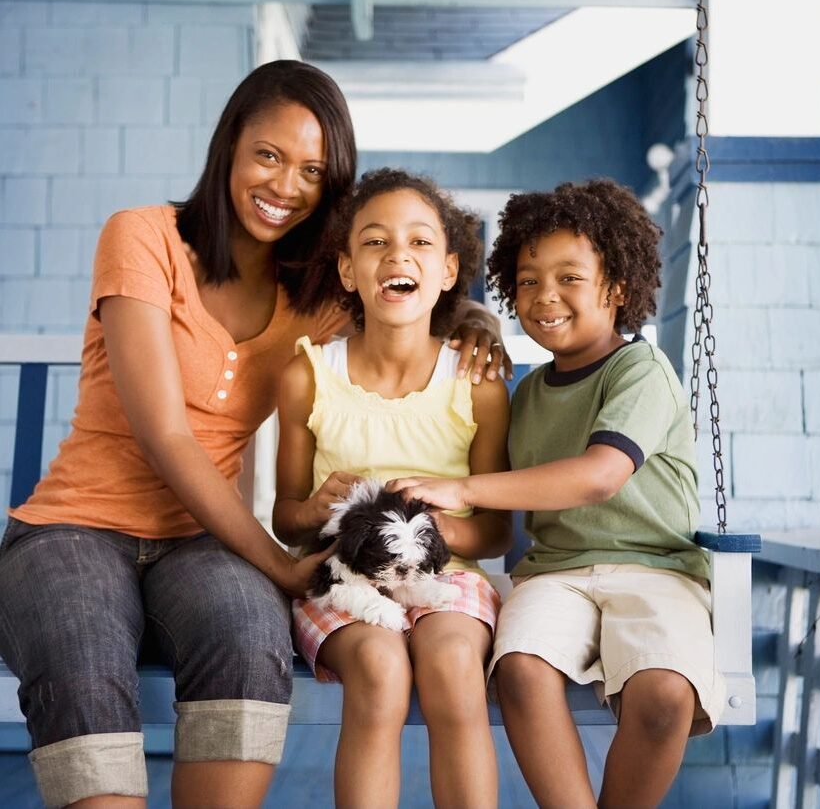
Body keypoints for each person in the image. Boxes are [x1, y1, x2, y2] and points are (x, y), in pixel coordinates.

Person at [0, 62, 509, 809]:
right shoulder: (144, 238)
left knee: (246, 640)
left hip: (203, 545)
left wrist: (473, 320)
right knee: (82, 658)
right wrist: (279, 562)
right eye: (269, 155)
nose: (285, 185)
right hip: (76, 527)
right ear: (230, 145)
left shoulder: (311, 298)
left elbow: (398, 297)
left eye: (312, 170)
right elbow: (166, 434)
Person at [390, 179, 726, 808]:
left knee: (665, 696)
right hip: (555, 576)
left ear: (618, 287)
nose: (544, 296)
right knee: (519, 672)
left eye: (570, 277)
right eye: (526, 280)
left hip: (657, 571)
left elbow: (600, 474)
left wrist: (460, 486)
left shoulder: (641, 370)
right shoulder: (528, 390)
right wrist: (472, 325)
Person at [274, 168, 511, 809]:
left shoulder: (475, 382)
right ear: (348, 270)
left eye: (419, 243)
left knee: (454, 665)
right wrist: (317, 504)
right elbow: (286, 520)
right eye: (375, 242)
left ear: (447, 269)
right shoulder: (309, 376)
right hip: (341, 579)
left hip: (448, 577)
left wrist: (437, 524)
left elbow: (495, 530)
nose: (398, 254)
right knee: (380, 671)